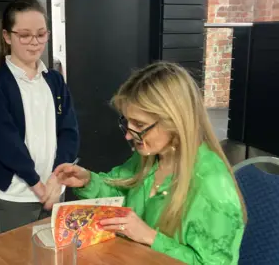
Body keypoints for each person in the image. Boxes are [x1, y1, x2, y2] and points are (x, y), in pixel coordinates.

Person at [53, 62, 246, 264]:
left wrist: (150, 237)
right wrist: (89, 181)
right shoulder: (150, 157)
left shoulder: (212, 186)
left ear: (174, 120)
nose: (128, 135)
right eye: (126, 122)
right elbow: (120, 193)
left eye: (140, 125)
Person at [0, 0, 79, 233]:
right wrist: (37, 185)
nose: (34, 42)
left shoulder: (54, 80)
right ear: (7, 36)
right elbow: (4, 140)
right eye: (24, 35)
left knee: (54, 253)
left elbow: (69, 131)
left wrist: (57, 179)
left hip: (55, 189)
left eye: (40, 34)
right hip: (18, 194)